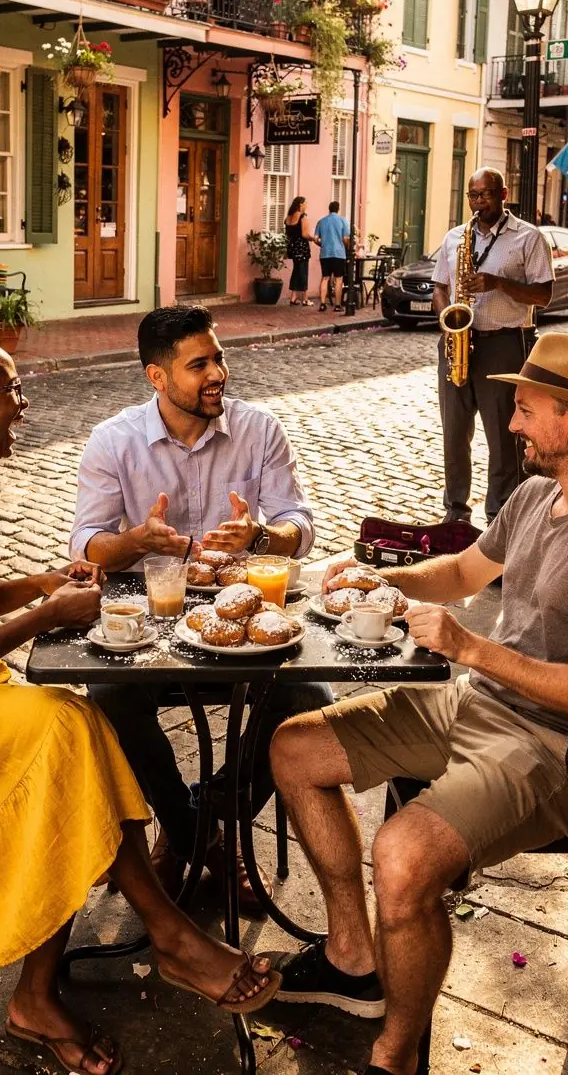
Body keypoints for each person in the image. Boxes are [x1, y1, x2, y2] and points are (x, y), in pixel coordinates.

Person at [0, 329, 280, 1075]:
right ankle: (165, 938)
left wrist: (34, 586)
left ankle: (60, 984)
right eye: (11, 391)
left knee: (71, 734)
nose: (24, 406)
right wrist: (40, 618)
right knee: (63, 731)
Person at [269, 332, 568, 1075]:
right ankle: (352, 956)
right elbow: (467, 571)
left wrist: (472, 650)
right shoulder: (535, 496)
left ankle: (395, 1053)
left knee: (401, 857)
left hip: (564, 751)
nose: (509, 424)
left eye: (526, 410)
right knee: (293, 747)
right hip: (480, 705)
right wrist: (379, 581)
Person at [70, 304, 332, 913]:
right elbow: (86, 543)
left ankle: (198, 822)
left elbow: (300, 522)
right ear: (156, 377)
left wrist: (261, 538)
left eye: (219, 358)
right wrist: (134, 542)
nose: (218, 373)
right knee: (108, 701)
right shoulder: (114, 440)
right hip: (147, 628)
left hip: (243, 621)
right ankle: (208, 840)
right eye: (199, 364)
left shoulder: (259, 428)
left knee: (311, 702)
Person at [433, 166, 553, 523]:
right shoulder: (456, 237)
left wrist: (498, 283)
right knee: (454, 434)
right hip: (458, 342)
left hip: (504, 343)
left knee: (504, 438)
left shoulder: (528, 238)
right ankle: (455, 514)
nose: (477, 202)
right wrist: (448, 321)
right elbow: (440, 286)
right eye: (472, 195)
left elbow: (544, 295)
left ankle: (501, 517)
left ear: (503, 195)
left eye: (484, 194)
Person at [314, 200, 350, 312]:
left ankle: (323, 304)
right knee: (338, 279)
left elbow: (315, 239)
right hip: (339, 253)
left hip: (325, 253)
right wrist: (347, 247)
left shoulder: (321, 221)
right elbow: (345, 238)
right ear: (338, 209)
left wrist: (322, 244)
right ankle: (338, 305)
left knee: (325, 278)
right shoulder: (342, 220)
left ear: (329, 209)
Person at [284, 195, 316, 307]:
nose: (306, 205)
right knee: (303, 272)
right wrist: (313, 239)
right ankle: (305, 299)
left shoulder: (288, 217)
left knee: (297, 271)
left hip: (292, 247)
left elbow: (288, 233)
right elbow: (304, 234)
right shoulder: (303, 216)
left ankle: (293, 297)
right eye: (305, 203)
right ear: (300, 205)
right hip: (301, 247)